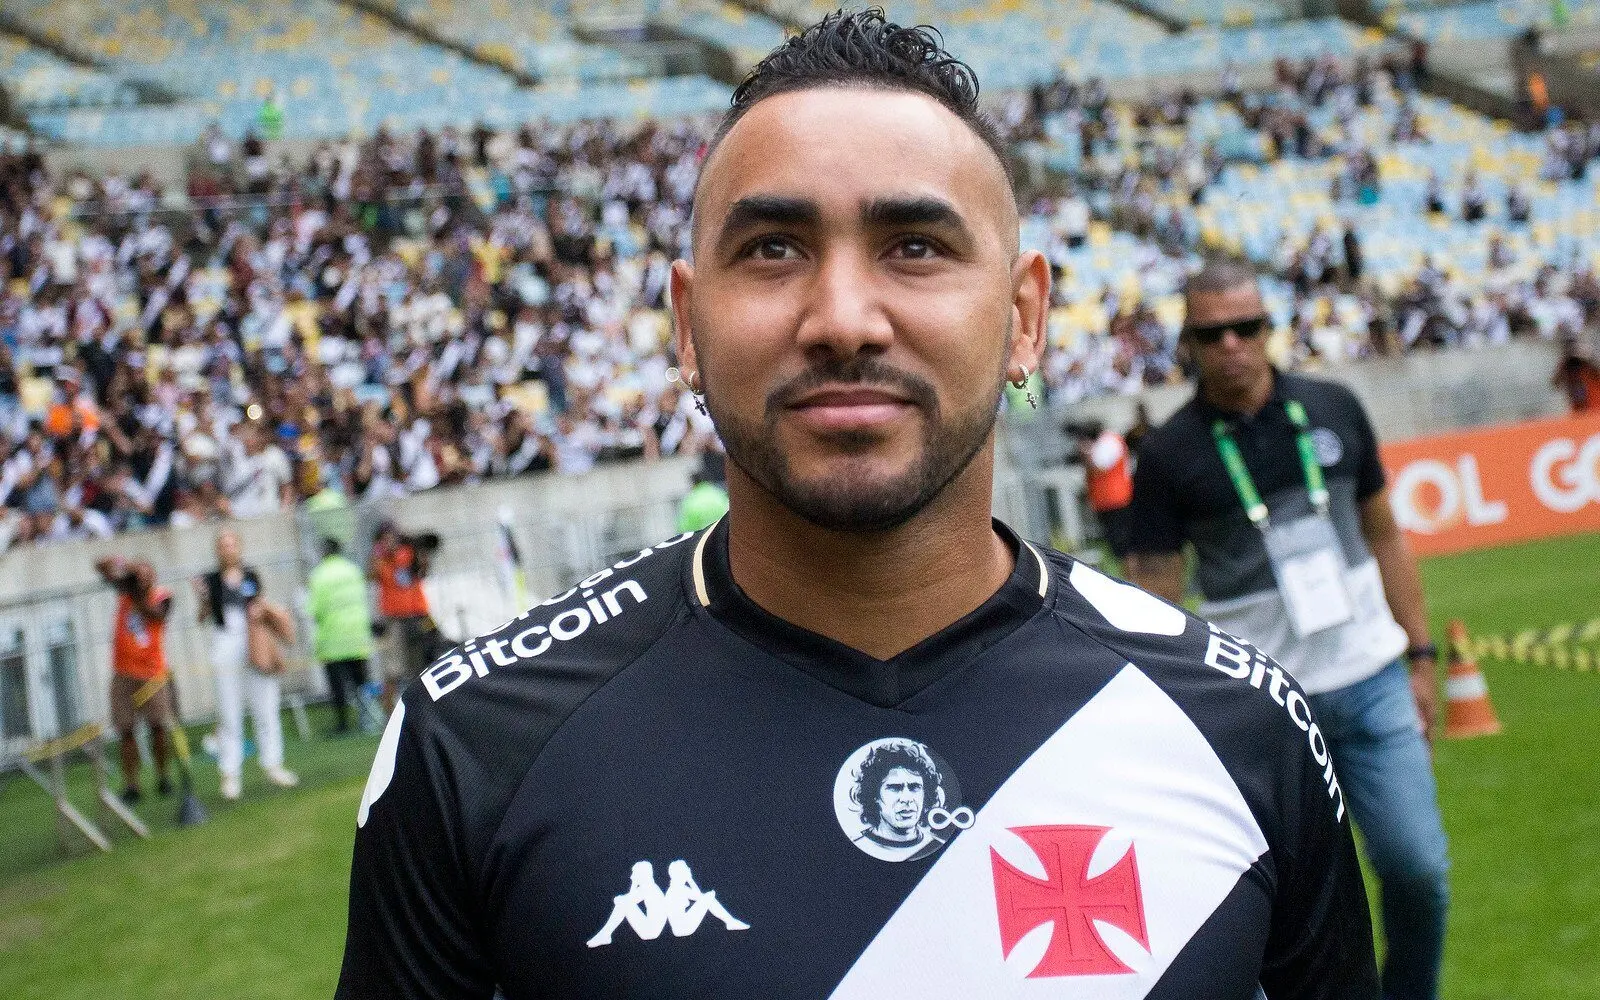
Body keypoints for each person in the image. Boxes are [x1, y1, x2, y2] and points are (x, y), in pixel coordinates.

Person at [337, 13, 1376, 999]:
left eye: (915, 246)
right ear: (687, 326)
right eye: (773, 249)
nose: (842, 319)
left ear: (1024, 318)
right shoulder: (475, 743)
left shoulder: (1238, 725)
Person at [1121, 261, 1448, 1000]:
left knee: (1418, 871)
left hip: (1370, 680)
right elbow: (1156, 594)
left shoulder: (1333, 406)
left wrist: (1422, 655)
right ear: (1188, 343)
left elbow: (1385, 535)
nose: (1232, 345)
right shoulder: (1169, 454)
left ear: (1270, 328)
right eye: (1213, 333)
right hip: (1260, 708)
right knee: (1273, 914)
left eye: (1248, 327)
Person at [196, 528, 299, 800]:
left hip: (254, 640)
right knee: (229, 711)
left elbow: (258, 603)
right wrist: (203, 597)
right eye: (222, 545)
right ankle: (230, 772)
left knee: (266, 704)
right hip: (225, 642)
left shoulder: (250, 575)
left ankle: (272, 763)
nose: (227, 549)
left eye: (231, 544)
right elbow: (203, 615)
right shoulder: (210, 580)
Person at [94, 556, 175, 803]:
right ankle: (132, 784)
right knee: (126, 731)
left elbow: (157, 616)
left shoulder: (162, 596)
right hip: (123, 673)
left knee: (157, 727)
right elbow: (100, 565)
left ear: (154, 576)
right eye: (139, 574)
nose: (142, 578)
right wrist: (123, 568)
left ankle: (163, 776)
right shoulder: (125, 590)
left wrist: (135, 592)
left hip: (152, 673)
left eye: (147, 573)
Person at [307, 536, 374, 734]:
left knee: (338, 687)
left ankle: (343, 724)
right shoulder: (353, 570)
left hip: (333, 639)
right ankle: (368, 720)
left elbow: (315, 609)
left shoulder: (319, 574)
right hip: (357, 635)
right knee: (361, 682)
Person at [368, 521, 437, 712]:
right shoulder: (381, 559)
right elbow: (371, 575)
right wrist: (379, 552)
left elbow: (423, 570)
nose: (390, 542)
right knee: (393, 669)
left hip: (419, 615)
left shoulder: (408, 553)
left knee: (424, 663)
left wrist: (417, 548)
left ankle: (427, 708)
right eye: (385, 539)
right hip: (395, 620)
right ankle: (390, 714)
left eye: (392, 538)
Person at [1071, 420, 1134, 556]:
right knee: (1116, 544)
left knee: (1123, 545)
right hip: (1105, 502)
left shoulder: (1109, 442)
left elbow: (1098, 467)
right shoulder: (1103, 443)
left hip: (1116, 500)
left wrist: (1085, 453)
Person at [676, 452, 730, 532]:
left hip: (701, 537)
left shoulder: (690, 500)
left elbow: (683, 528)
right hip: (722, 535)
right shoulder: (719, 494)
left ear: (693, 483)